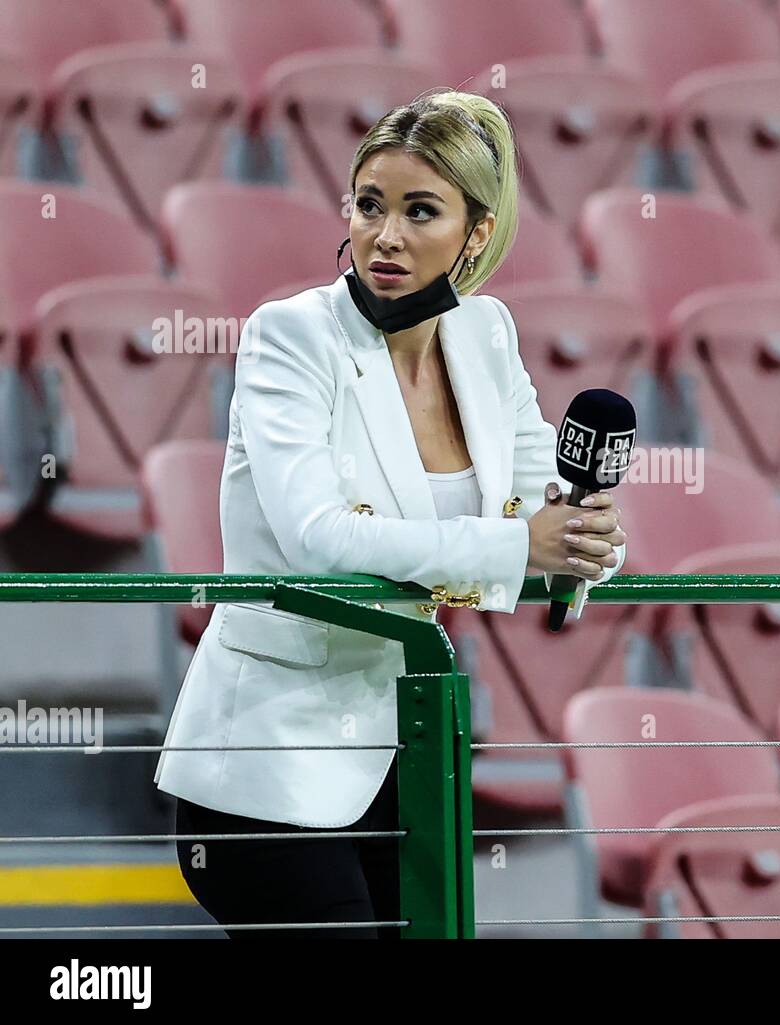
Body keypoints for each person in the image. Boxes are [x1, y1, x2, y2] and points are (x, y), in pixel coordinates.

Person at [156, 90, 628, 938]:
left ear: (476, 233)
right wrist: (523, 544)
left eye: (421, 211)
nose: (387, 235)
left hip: (402, 759)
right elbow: (319, 538)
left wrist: (585, 536)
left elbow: (532, 507)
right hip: (267, 765)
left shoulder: (486, 333)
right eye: (370, 205)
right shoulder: (290, 336)